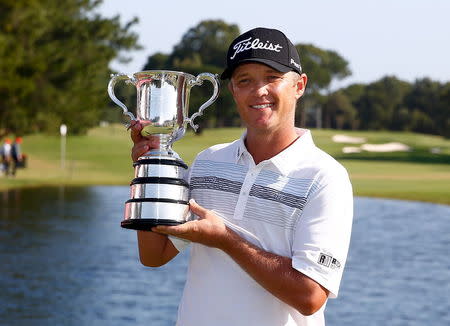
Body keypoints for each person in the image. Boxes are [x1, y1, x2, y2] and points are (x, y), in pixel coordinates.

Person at [130, 27, 353, 326]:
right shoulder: (208, 162)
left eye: (272, 78)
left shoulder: (325, 178)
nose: (258, 91)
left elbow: (310, 296)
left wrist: (226, 240)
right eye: (244, 81)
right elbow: (154, 255)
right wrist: (149, 168)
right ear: (233, 90)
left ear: (299, 85)